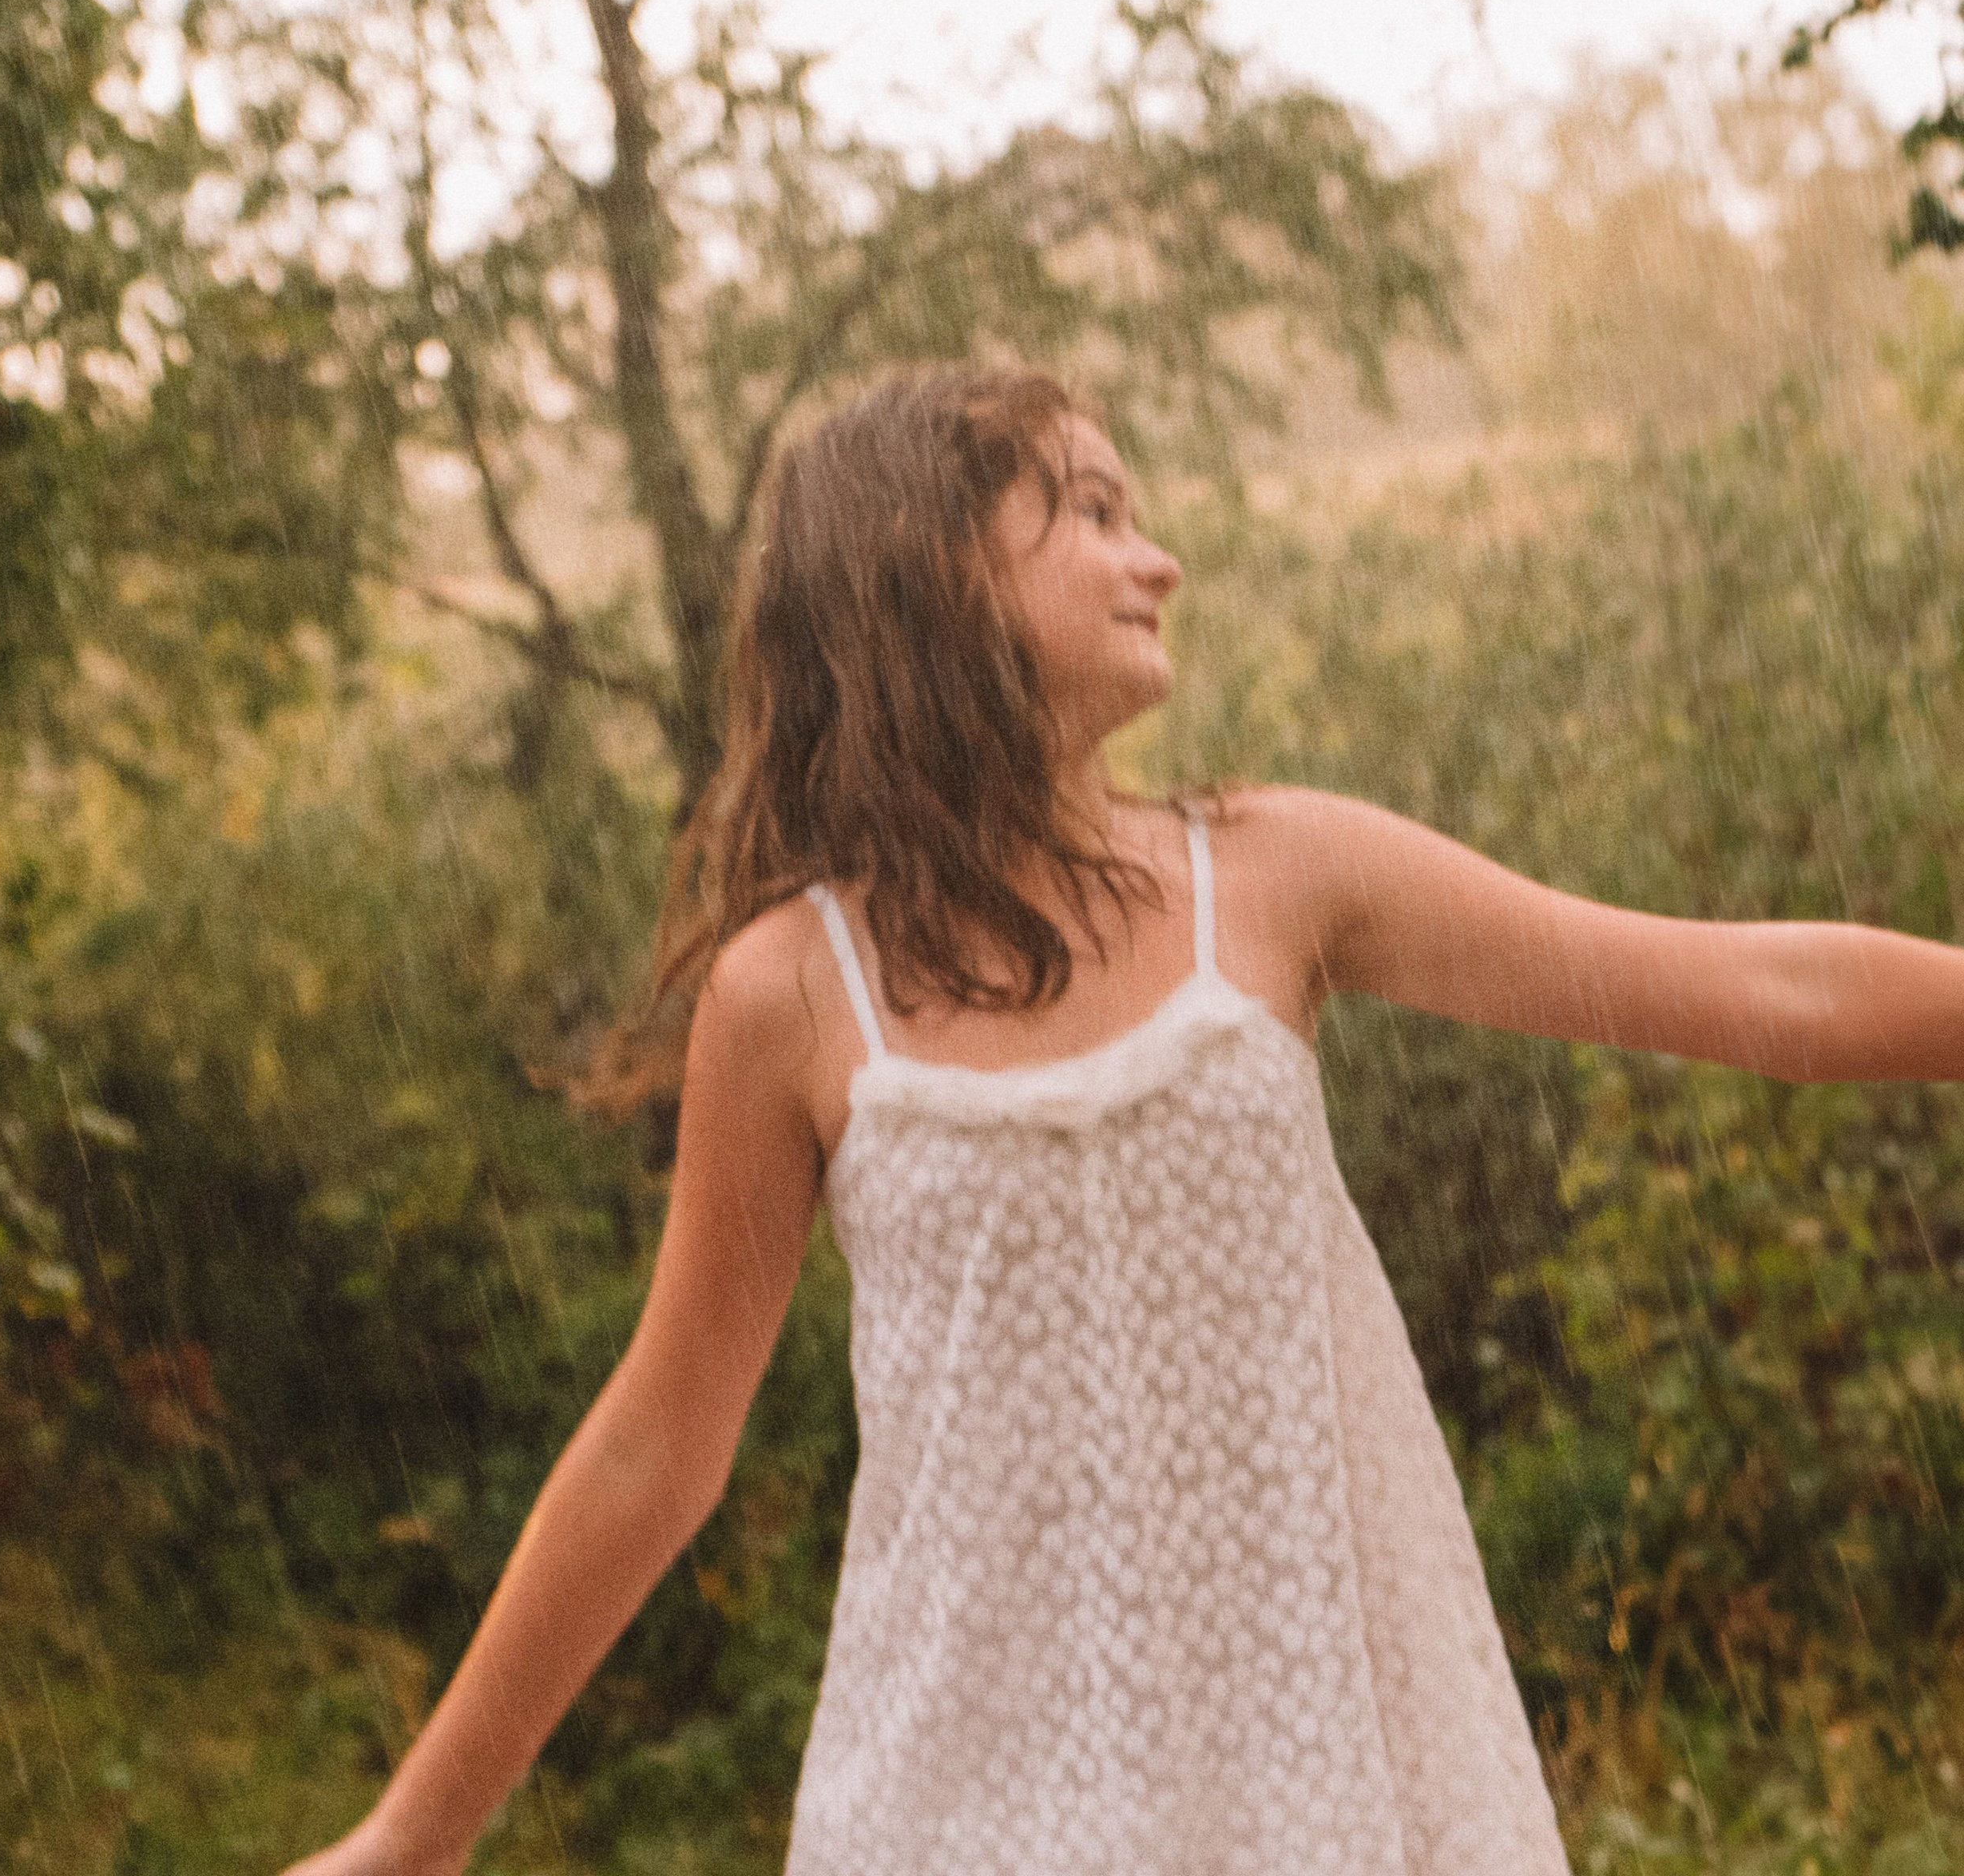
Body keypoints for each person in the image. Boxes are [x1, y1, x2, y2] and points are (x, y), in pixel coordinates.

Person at [283, 365, 1964, 1876]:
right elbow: (658, 1442)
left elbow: (1762, 993)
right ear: (925, 571)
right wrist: (403, 1841)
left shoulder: (1278, 874)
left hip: (1314, 1783)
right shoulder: (794, 994)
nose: (1153, 559)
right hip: (953, 1802)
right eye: (1088, 511)